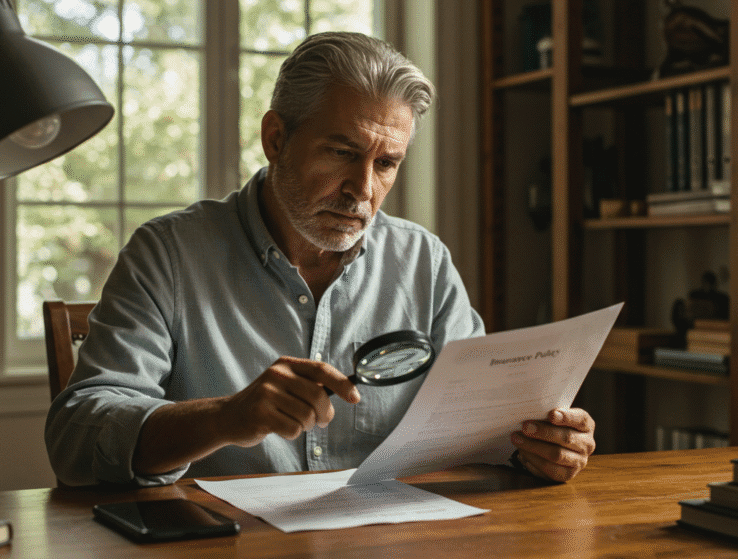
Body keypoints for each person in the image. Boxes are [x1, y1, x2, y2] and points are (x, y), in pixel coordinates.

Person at [45, 32, 596, 487]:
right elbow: (75, 438)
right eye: (342, 152)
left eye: (386, 163)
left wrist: (536, 445)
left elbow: (482, 423)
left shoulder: (423, 262)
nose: (363, 190)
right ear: (275, 138)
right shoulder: (167, 255)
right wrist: (224, 418)